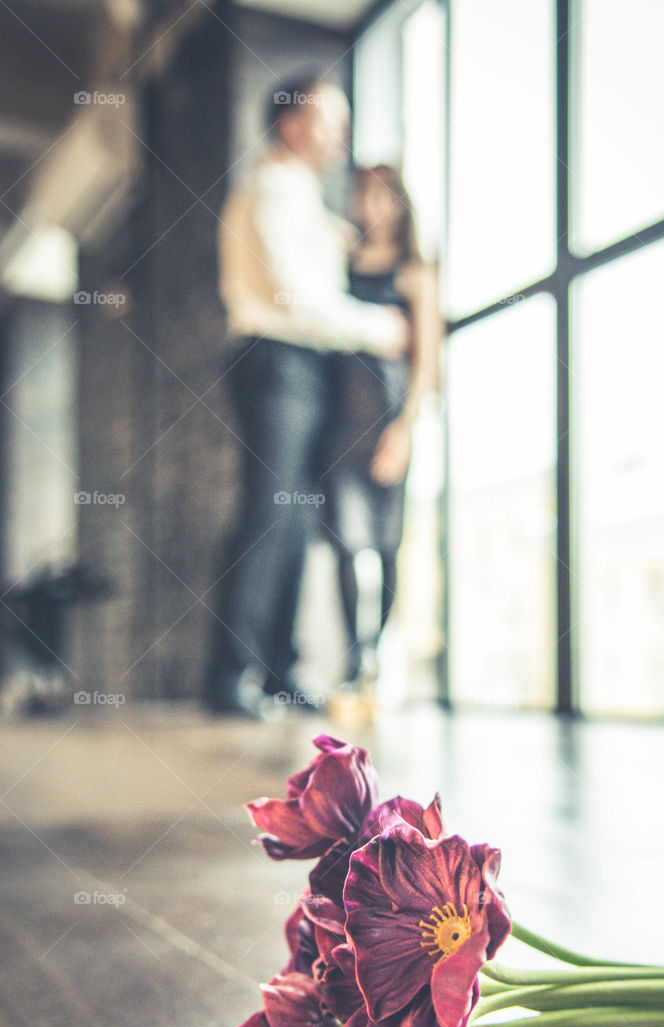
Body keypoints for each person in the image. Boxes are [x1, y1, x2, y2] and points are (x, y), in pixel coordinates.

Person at [208, 79, 409, 718]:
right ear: (291, 124)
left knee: (295, 521)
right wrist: (382, 328)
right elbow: (301, 300)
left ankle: (275, 670)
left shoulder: (303, 201)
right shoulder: (271, 192)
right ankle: (233, 676)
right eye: (331, 119)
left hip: (301, 369)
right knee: (272, 515)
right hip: (279, 360)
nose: (341, 135)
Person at [321, 164, 441, 691]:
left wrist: (406, 428)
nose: (372, 206)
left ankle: (377, 651)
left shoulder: (417, 272)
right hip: (339, 420)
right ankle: (355, 657)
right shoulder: (340, 261)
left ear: (401, 203)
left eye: (383, 195)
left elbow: (427, 358)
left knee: (388, 545)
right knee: (347, 542)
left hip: (389, 419)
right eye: (364, 194)